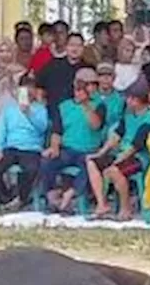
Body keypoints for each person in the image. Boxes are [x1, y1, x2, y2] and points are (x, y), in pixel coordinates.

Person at [85, 81, 150, 221]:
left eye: (129, 98)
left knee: (113, 170)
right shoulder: (128, 114)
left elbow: (137, 144)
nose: (127, 101)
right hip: (121, 153)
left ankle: (126, 209)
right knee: (92, 162)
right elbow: (117, 135)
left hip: (139, 157)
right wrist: (101, 153)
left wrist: (121, 158)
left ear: (137, 100)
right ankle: (102, 205)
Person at [40, 68, 106, 214]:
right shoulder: (64, 106)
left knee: (89, 166)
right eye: (79, 86)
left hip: (89, 150)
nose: (82, 90)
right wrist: (54, 147)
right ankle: (52, 197)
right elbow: (57, 130)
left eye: (87, 86)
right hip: (68, 149)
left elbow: (96, 125)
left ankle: (69, 196)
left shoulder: (99, 105)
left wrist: (85, 105)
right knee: (47, 161)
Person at [0, 73, 47, 211]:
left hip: (31, 148)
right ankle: (6, 198)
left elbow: (42, 128)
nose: (28, 91)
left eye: (31, 88)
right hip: (11, 147)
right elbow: (1, 131)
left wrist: (29, 113)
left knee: (31, 169)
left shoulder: (40, 109)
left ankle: (22, 198)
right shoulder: (9, 109)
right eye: (25, 88)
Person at [36, 32, 87, 109]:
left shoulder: (88, 69)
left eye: (79, 45)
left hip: (78, 113)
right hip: (53, 111)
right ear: (66, 46)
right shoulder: (53, 65)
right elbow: (39, 86)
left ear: (83, 48)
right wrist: (41, 104)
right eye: (72, 45)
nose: (75, 49)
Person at [93, 63, 125, 129]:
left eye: (109, 75)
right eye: (102, 75)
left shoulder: (121, 100)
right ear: (96, 77)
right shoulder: (89, 97)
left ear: (114, 77)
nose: (106, 78)